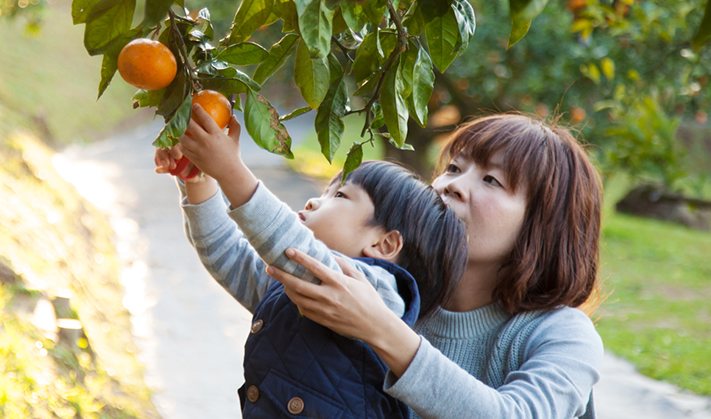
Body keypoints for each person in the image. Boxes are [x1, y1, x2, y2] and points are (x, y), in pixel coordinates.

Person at [265, 114, 604, 419]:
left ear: (543, 225)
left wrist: (381, 330)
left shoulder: (561, 334)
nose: (450, 186)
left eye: (491, 180)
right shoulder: (388, 291)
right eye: (454, 168)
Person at [154, 103, 468, 418]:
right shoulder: (295, 286)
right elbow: (227, 254)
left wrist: (230, 171)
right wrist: (200, 181)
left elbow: (290, 244)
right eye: (326, 190)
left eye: (340, 196)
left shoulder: (380, 295)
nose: (314, 200)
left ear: (384, 244)